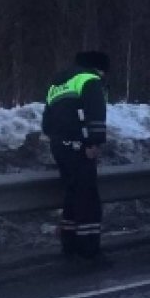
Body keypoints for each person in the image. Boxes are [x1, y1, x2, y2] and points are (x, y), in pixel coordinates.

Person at [42, 51, 110, 262]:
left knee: (72, 194)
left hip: (59, 147)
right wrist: (94, 143)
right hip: (80, 147)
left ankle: (69, 244)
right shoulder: (90, 79)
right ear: (98, 68)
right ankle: (89, 250)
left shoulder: (56, 84)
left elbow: (46, 123)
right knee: (88, 198)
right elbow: (96, 113)